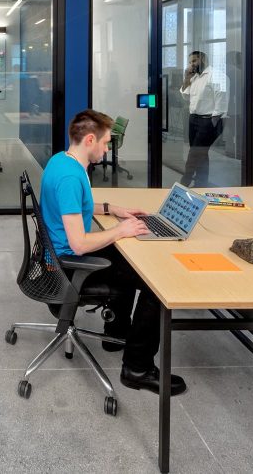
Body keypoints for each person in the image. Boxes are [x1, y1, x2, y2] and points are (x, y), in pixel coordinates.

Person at [38, 109, 188, 396]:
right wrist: (120, 230)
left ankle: (116, 333)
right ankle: (137, 368)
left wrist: (112, 210)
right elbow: (80, 244)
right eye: (106, 143)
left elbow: (74, 206)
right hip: (68, 266)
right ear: (90, 139)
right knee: (156, 283)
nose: (107, 149)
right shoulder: (70, 177)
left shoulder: (62, 161)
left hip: (58, 257)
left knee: (129, 259)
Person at [179, 50, 227, 187]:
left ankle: (184, 182)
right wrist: (186, 78)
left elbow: (221, 98)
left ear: (203, 60)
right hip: (194, 118)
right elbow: (185, 96)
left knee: (195, 153)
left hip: (209, 120)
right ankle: (201, 184)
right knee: (201, 153)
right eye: (189, 62)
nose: (191, 65)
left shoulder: (216, 75)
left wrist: (214, 120)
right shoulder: (195, 77)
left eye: (194, 61)